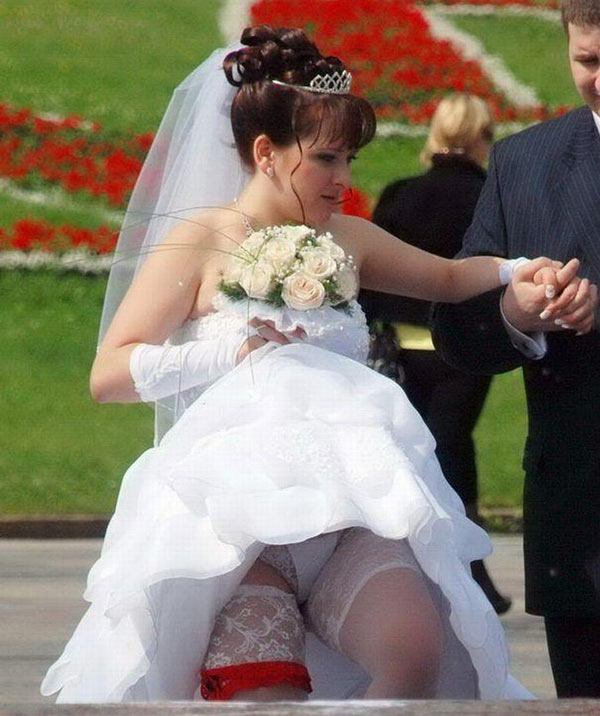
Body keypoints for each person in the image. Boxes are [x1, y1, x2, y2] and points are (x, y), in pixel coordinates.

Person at [41, 26, 592, 704]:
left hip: (352, 510)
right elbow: (108, 375)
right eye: (327, 158)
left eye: (350, 159)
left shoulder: (348, 239)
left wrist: (519, 270)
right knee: (259, 690)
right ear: (266, 153)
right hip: (238, 525)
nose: (345, 179)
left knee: (415, 650)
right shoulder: (202, 238)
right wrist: (226, 352)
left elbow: (450, 279)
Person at [431, 0, 600, 698]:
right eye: (588, 61)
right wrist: (515, 310)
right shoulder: (524, 163)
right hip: (583, 525)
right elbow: (456, 330)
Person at [359, 93, 511, 615]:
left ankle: (406, 566)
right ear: (481, 137)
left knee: (409, 453)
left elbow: (370, 277)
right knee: (452, 450)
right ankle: (471, 570)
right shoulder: (488, 196)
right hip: (463, 351)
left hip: (400, 349)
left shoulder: (400, 193)